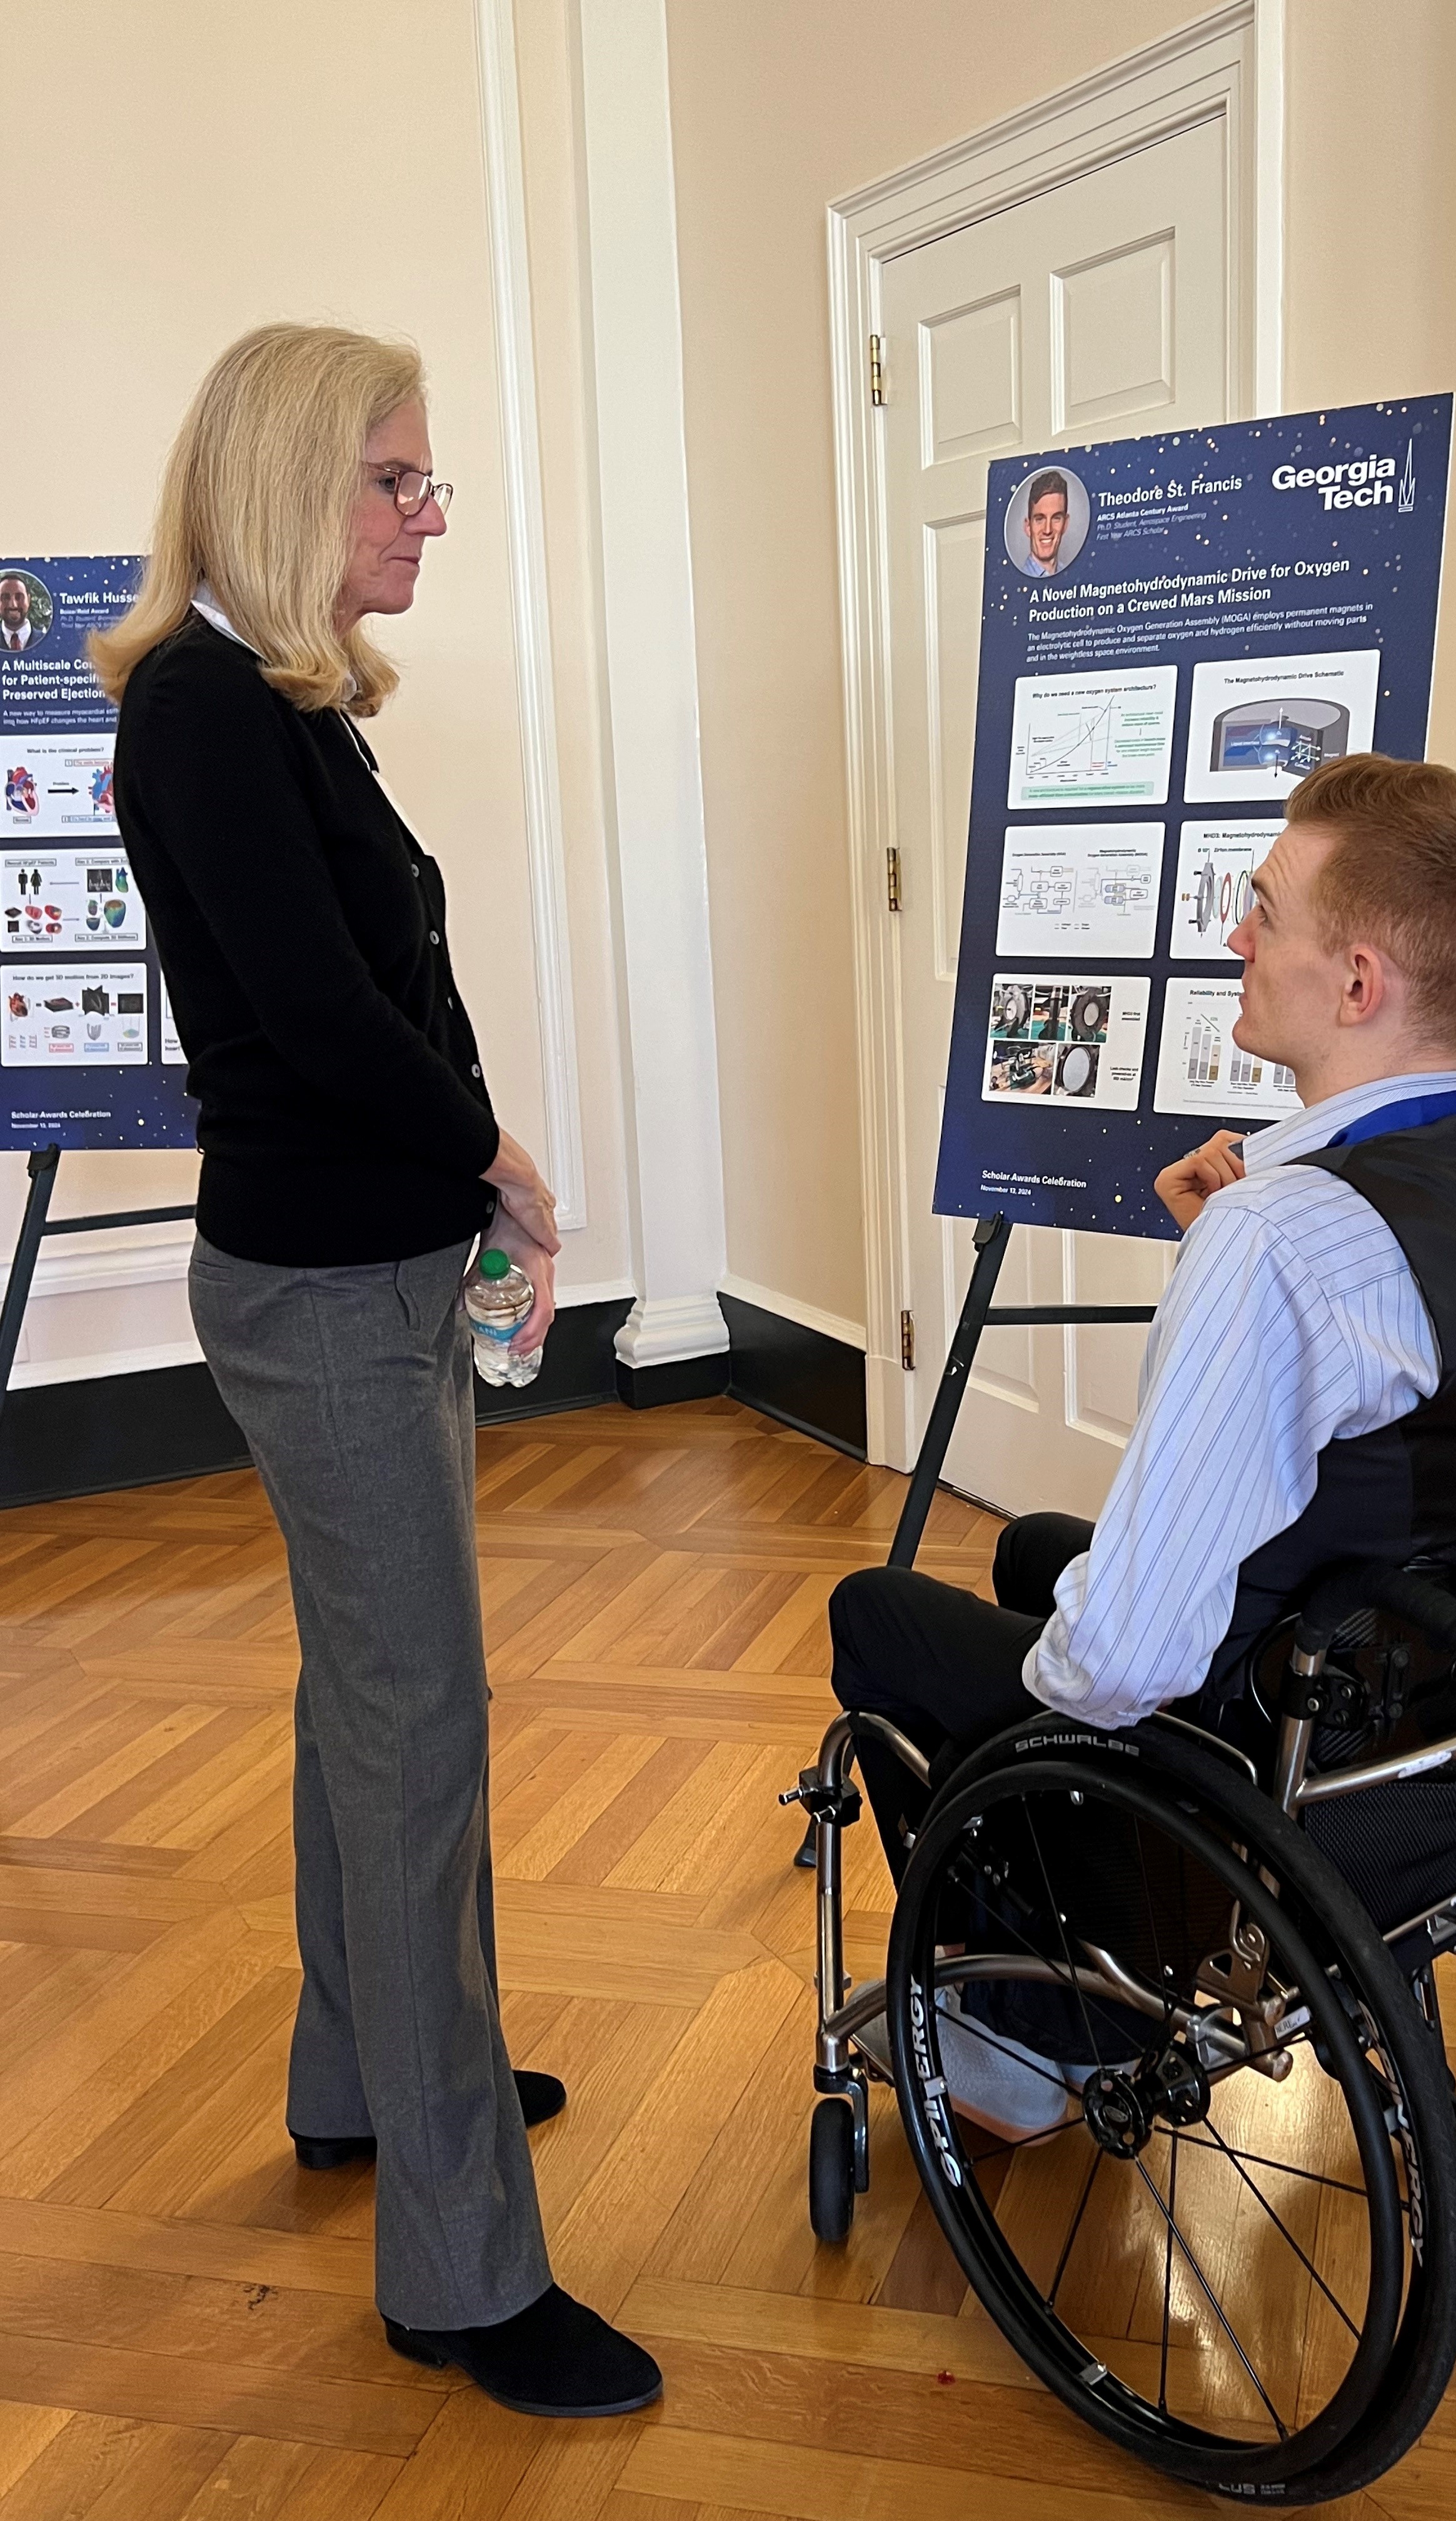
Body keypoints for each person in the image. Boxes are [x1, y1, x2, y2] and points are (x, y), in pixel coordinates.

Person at [95, 324, 661, 2420]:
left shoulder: (276, 702)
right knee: (418, 1729)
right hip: (331, 1289)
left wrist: (470, 1180)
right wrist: (499, 1158)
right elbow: (326, 1020)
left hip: (373, 1269)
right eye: (399, 479)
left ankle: (363, 2079)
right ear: (290, 482)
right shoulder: (202, 711)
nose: (431, 514)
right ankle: (459, 2265)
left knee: (370, 1692)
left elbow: (383, 972)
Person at [829, 753, 1456, 2133]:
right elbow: (1399, 1423)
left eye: (1261, 908)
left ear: (1357, 983)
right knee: (1031, 1548)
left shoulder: (1276, 1239)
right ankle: (1054, 1946)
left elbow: (1121, 1664)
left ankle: (1038, 2034)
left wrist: (1232, 1264)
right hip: (1421, 1696)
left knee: (882, 1612)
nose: (1233, 937)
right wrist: (1229, 1248)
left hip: (1261, 1743)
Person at [1020, 471, 1071, 576]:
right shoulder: (1014, 581)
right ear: (1028, 527)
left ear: (1065, 523)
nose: (1048, 530)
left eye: (1056, 518)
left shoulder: (1071, 576)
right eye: (1040, 519)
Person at [0, 575, 44, 653]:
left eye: (19, 597)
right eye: (6, 598)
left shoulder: (49, 642)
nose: (13, 605)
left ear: (29, 600)